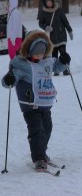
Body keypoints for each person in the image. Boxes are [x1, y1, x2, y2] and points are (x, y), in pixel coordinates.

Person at [1, 30, 71, 170]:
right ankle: (38, 158)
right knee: (37, 130)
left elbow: (58, 66)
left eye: (42, 52)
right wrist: (9, 79)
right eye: (36, 52)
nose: (39, 55)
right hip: (30, 105)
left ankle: (41, 152)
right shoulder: (22, 65)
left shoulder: (47, 62)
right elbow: (8, 81)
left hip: (45, 104)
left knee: (47, 128)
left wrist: (64, 61)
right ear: (28, 50)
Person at [38, 0, 73, 76]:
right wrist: (46, 27)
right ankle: (56, 70)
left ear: (53, 2)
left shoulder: (59, 11)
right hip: (51, 37)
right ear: (45, 3)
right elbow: (40, 23)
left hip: (61, 35)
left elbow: (65, 21)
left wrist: (70, 31)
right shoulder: (43, 12)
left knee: (63, 53)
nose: (49, 3)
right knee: (54, 55)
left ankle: (66, 69)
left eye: (50, 1)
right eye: (47, 2)